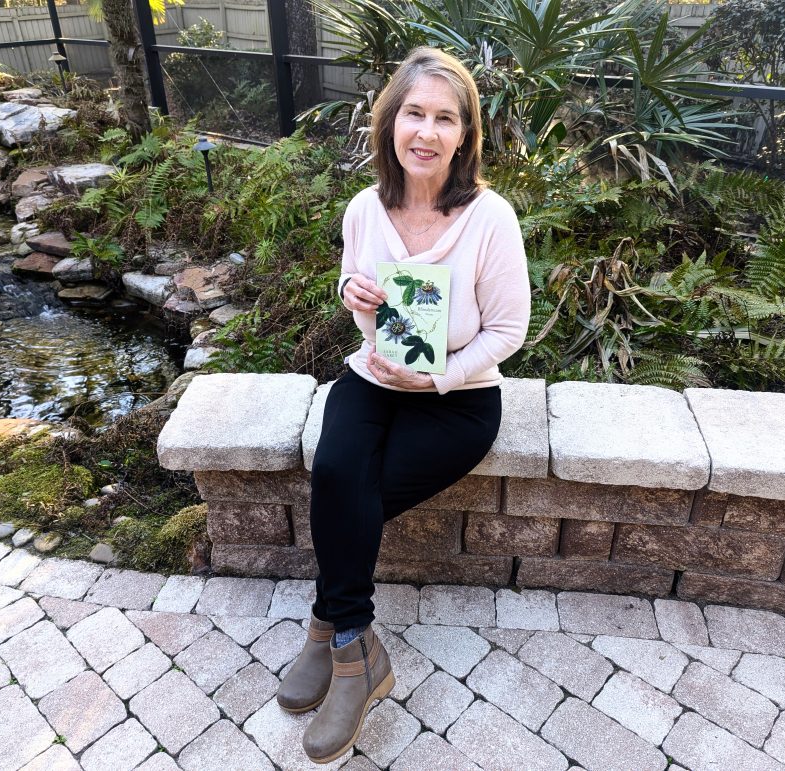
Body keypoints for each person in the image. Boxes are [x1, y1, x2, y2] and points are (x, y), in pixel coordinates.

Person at [276, 46, 531, 764]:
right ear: (390, 123)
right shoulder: (366, 208)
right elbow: (356, 284)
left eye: (444, 118)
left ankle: (328, 625)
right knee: (336, 475)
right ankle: (356, 650)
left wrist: (444, 373)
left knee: (354, 496)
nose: (427, 130)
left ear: (465, 134)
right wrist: (349, 292)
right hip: (375, 377)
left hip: (457, 400)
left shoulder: (489, 218)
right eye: (414, 112)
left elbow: (509, 331)